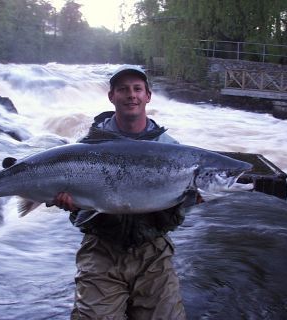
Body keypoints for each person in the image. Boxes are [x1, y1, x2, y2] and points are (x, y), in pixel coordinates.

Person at [53, 65, 189, 320]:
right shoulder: (88, 147)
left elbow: (175, 216)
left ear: (148, 96)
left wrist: (188, 200)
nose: (131, 95)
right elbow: (79, 217)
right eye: (123, 89)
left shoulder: (171, 150)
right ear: (111, 96)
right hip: (101, 249)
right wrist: (72, 206)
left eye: (137, 89)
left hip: (153, 252)